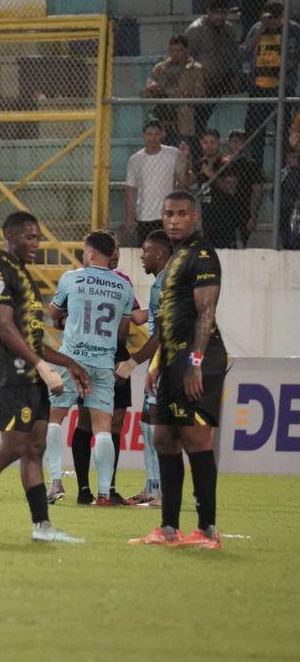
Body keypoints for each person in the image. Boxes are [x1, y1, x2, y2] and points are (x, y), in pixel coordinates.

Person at [0, 211, 91, 543]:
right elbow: (5, 328)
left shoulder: (24, 275)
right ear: (10, 237)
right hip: (10, 372)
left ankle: (42, 526)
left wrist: (67, 362)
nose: (36, 243)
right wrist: (41, 366)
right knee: (14, 446)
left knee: (35, 447)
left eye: (38, 237)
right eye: (29, 236)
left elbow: (31, 338)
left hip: (30, 371)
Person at [130, 190, 226, 549]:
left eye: (182, 214)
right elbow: (168, 320)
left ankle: (207, 530)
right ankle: (169, 528)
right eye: (169, 213)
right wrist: (157, 363)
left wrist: (195, 363)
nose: (174, 220)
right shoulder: (175, 259)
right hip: (172, 360)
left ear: (194, 217)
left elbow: (206, 312)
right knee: (163, 439)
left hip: (199, 359)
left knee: (195, 439)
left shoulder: (202, 255)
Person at [43, 231, 134, 507]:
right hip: (104, 364)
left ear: (91, 253)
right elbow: (122, 331)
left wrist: (72, 314)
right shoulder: (124, 286)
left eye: (85, 251)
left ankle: (56, 481)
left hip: (71, 361)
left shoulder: (71, 278)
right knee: (103, 428)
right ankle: (104, 493)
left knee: (54, 418)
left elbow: (53, 313)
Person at [117, 229, 173, 506]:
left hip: (166, 361)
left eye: (146, 252)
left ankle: (161, 491)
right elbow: (148, 320)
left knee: (156, 426)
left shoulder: (165, 283)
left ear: (159, 254)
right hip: (159, 360)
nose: (142, 257)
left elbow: (161, 334)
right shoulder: (163, 282)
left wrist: (132, 363)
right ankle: (152, 487)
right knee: (147, 423)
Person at [241, 1, 300, 169]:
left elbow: (296, 55)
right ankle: (256, 169)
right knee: (254, 129)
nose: (272, 22)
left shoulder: (292, 29)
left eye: (275, 18)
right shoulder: (257, 28)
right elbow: (245, 51)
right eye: (269, 18)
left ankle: (283, 169)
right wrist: (261, 28)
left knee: (283, 131)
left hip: (282, 87)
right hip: (259, 88)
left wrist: (286, 66)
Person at [124, 120, 191, 246]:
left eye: (156, 134)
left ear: (162, 135)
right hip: (144, 214)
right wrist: (129, 218)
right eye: (149, 134)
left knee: (168, 249)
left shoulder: (173, 154)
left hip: (168, 213)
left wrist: (184, 158)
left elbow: (183, 181)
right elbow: (131, 189)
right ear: (144, 135)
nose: (153, 138)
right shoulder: (136, 159)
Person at [184, 0, 241, 134]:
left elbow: (234, 54)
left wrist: (235, 75)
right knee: (198, 120)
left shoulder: (229, 29)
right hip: (201, 83)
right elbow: (186, 58)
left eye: (223, 12)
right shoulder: (196, 29)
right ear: (208, 12)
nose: (220, 16)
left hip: (222, 79)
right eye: (216, 12)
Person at [143, 34, 205, 148]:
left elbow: (200, 92)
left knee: (182, 147)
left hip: (183, 113)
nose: (176, 54)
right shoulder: (160, 68)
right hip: (163, 112)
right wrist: (153, 88)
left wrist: (187, 94)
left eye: (179, 50)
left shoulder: (195, 68)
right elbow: (148, 87)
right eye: (173, 50)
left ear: (186, 50)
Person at [226, 129, 264, 244]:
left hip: (243, 209)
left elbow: (257, 191)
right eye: (234, 142)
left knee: (242, 243)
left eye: (240, 142)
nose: (237, 145)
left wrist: (253, 215)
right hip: (224, 210)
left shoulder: (251, 166)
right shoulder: (223, 164)